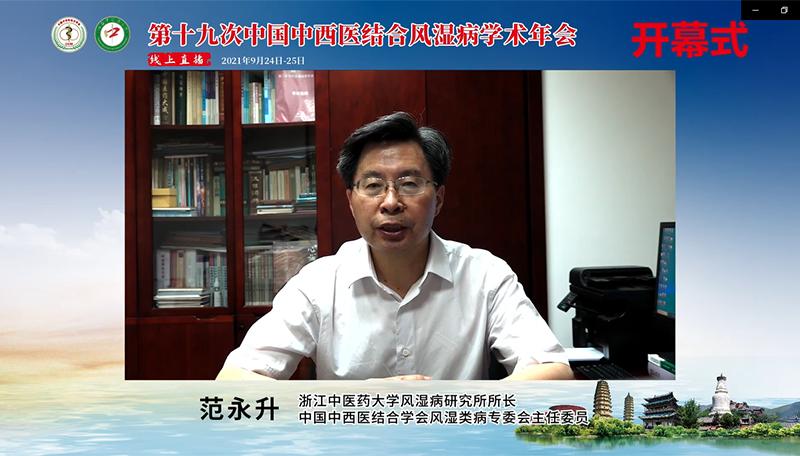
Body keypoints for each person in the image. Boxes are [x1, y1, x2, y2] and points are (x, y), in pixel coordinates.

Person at [217, 112, 572, 380]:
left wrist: (451, 404)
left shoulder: (484, 275)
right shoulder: (318, 284)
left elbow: (553, 370)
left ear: (439, 198)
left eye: (409, 184)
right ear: (351, 200)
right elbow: (234, 380)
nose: (390, 202)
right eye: (373, 185)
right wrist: (363, 402)